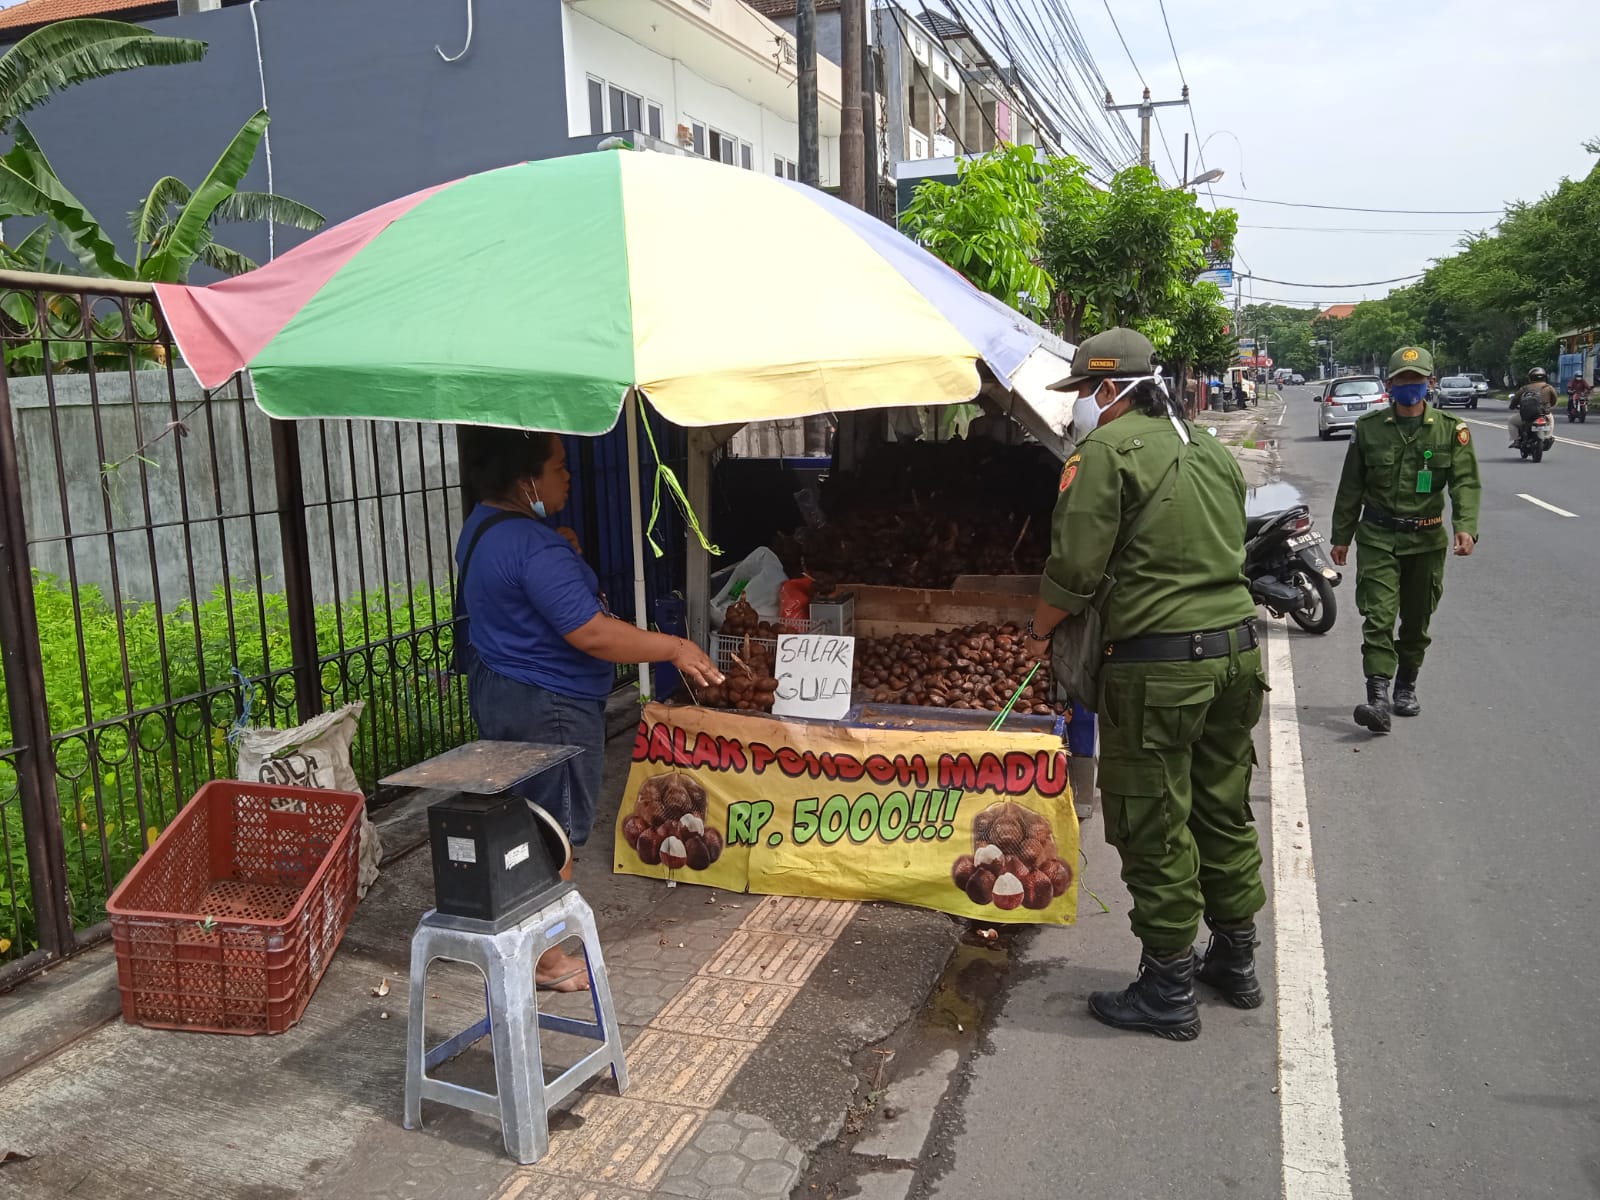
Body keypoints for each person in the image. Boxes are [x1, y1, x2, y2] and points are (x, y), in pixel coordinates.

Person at [1025, 328, 1267, 1042]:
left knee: (1152, 819)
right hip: (1235, 657)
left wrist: (1038, 631)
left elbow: (1073, 570)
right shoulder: (1209, 450)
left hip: (1159, 667)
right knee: (1222, 805)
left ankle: (1167, 987)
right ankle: (1236, 959)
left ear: (1108, 391)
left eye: (1082, 396)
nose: (1078, 412)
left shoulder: (1101, 455)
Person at [456, 427, 724, 990]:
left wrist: (563, 554)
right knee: (551, 831)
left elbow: (526, 599)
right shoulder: (534, 546)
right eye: (558, 467)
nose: (568, 475)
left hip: (503, 689)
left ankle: (524, 941)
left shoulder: (485, 525)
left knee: (521, 820)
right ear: (526, 478)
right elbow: (594, 635)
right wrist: (675, 647)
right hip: (548, 704)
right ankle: (548, 959)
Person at [1330, 346, 1480, 733]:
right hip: (1378, 535)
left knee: (1416, 620)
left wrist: (1465, 525)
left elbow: (1464, 482)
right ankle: (1377, 697)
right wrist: (1341, 536)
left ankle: (1406, 686)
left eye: (1416, 380)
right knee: (1377, 617)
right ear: (1390, 384)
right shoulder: (1368, 429)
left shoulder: (1451, 430)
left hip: (1427, 538)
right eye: (1402, 380)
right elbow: (1351, 487)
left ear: (1429, 383)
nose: (1409, 386)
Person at [1508, 366, 1557, 448]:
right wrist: (1548, 407)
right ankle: (1548, 436)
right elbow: (1554, 400)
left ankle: (1516, 440)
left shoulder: (1525, 388)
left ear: (1530, 377)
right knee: (1551, 419)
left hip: (1527, 416)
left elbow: (1515, 399)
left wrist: (1512, 406)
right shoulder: (1549, 388)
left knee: (1511, 421)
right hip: (1544, 414)